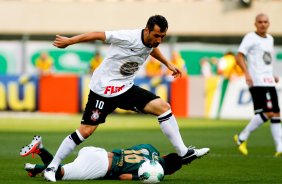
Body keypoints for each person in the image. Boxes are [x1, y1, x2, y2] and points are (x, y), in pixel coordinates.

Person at [45, 15, 210, 182]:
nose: (159, 40)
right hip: (103, 90)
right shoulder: (128, 37)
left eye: (162, 37)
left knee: (163, 107)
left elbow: (151, 48)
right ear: (147, 30)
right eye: (156, 36)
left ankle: (183, 152)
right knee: (85, 131)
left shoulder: (151, 42)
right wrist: (69, 41)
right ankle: (52, 167)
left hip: (125, 88)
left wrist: (167, 63)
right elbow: (97, 34)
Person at [20, 135, 207, 181]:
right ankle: (40, 149)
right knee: (59, 174)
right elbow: (123, 177)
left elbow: (131, 150)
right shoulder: (154, 172)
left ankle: (34, 168)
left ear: (165, 155)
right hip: (101, 166)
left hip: (99, 152)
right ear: (171, 172)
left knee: (62, 169)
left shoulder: (151, 149)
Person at [233, 13, 282, 157]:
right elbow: (239, 56)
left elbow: (266, 60)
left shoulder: (270, 39)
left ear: (269, 23)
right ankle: (242, 137)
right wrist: (246, 73)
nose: (263, 24)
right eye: (260, 22)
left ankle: (280, 147)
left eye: (265, 22)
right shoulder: (250, 37)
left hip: (269, 80)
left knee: (276, 113)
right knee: (268, 112)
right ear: (255, 24)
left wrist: (272, 74)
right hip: (257, 81)